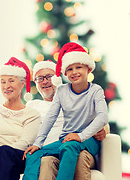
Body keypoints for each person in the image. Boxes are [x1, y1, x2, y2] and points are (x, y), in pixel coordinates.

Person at [23, 42, 109, 180]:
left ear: (88, 69)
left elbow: (102, 117)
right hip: (66, 139)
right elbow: (51, 117)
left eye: (79, 67)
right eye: (69, 69)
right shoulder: (62, 91)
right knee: (34, 154)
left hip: (87, 140)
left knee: (69, 147)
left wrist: (80, 136)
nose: (74, 72)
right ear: (64, 73)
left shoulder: (96, 90)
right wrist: (37, 143)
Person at [0, 57, 41, 180]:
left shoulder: (32, 114)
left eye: (11, 81)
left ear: (22, 84)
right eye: (3, 82)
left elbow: (25, 143)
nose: (6, 86)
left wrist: (1, 152)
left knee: (5, 151)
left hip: (19, 157)